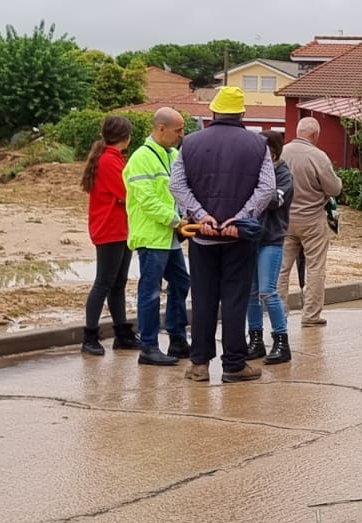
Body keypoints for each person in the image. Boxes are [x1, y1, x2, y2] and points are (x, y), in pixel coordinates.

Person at [170, 87, 275, 382]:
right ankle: (233, 364)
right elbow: (267, 188)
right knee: (234, 300)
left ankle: (199, 364)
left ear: (214, 112)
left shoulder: (189, 143)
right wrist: (240, 218)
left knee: (203, 299)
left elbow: (177, 185)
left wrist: (200, 215)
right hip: (237, 238)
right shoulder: (258, 144)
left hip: (202, 237)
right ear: (242, 114)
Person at [124, 107, 188, 367]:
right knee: (150, 292)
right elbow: (148, 200)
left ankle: (177, 338)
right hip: (152, 237)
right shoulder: (141, 158)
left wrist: (184, 217)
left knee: (181, 283)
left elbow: (178, 190)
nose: (182, 135)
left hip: (169, 237)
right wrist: (176, 221)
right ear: (160, 128)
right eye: (178, 130)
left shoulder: (172, 155)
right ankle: (148, 346)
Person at [80, 115, 141, 357]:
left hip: (120, 228)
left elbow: (124, 194)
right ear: (126, 137)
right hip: (110, 229)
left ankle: (121, 333)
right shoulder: (109, 161)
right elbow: (128, 192)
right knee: (104, 282)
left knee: (118, 283)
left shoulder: (112, 158)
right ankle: (90, 335)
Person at [280, 116, 343, 328]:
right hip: (312, 219)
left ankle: (279, 312)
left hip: (284, 219)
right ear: (315, 135)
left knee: (281, 268)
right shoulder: (318, 156)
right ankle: (311, 315)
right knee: (315, 267)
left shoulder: (281, 153)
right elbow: (334, 189)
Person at [247, 131, 294, 365]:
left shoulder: (283, 175)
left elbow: (275, 200)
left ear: (273, 152)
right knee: (250, 293)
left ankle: (281, 340)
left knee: (267, 291)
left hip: (271, 239)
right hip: (251, 238)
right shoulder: (254, 172)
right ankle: (255, 339)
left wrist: (258, 190)